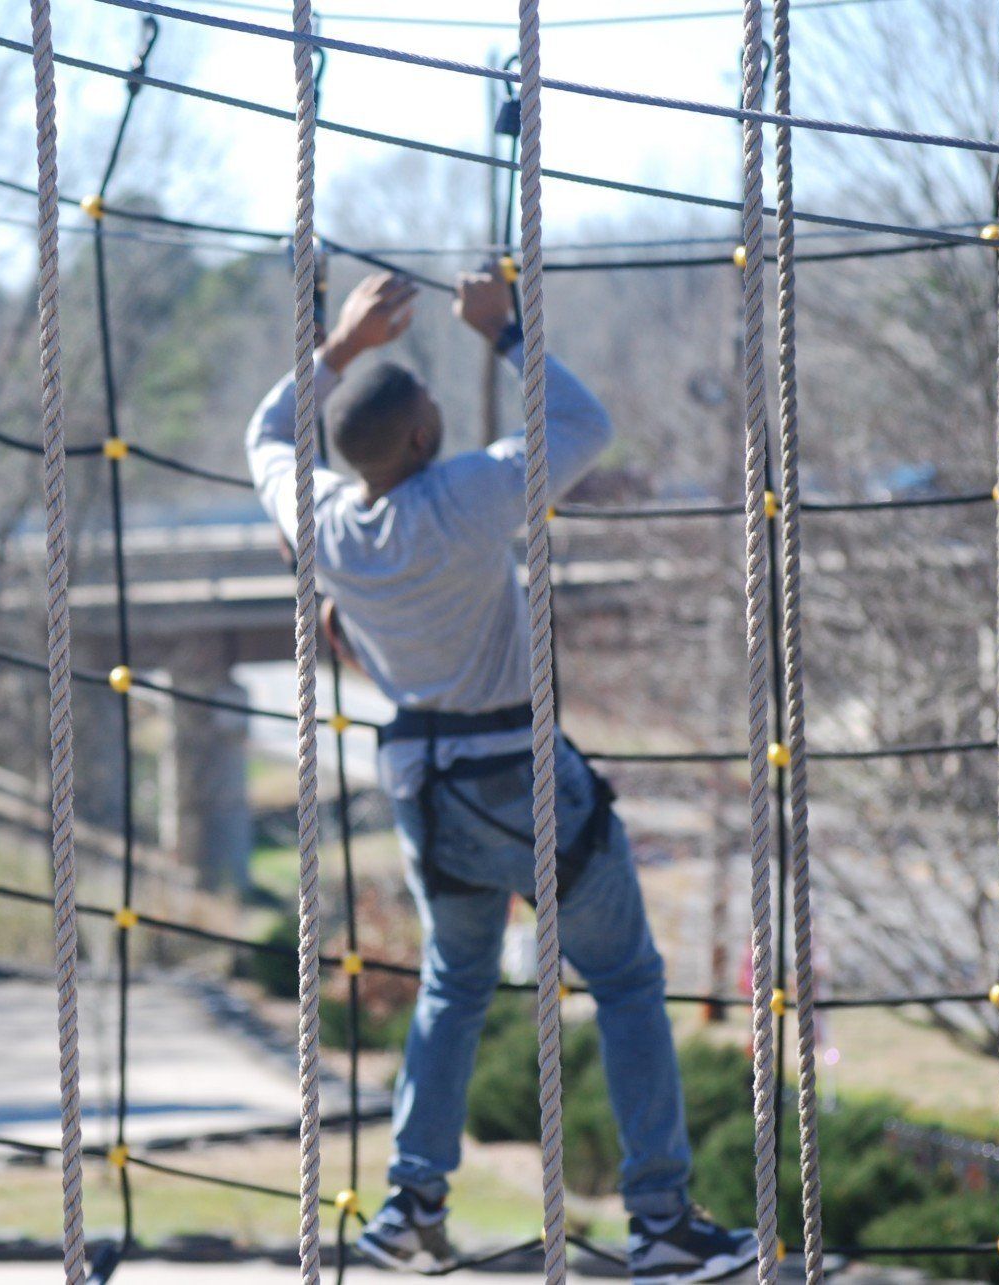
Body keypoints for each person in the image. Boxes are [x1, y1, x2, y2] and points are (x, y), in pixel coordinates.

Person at [245, 271, 757, 1283]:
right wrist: (505, 330)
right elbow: (584, 423)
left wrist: (339, 345)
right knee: (625, 977)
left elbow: (264, 435)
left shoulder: (326, 520)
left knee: (455, 982)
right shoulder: (469, 496)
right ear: (424, 439)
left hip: (423, 788)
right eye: (431, 408)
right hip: (515, 774)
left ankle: (411, 1202)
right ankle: (660, 1220)